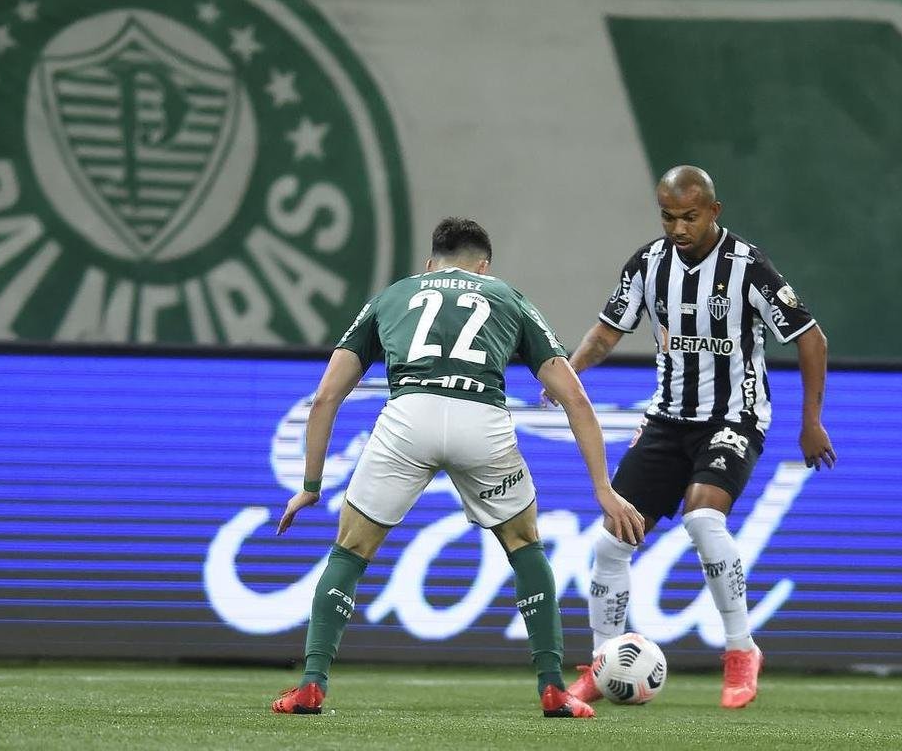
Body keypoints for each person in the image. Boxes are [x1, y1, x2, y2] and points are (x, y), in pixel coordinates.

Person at [271, 217, 646, 718]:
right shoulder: (506, 296)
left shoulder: (393, 295)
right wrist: (603, 488)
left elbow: (325, 398)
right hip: (482, 422)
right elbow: (574, 398)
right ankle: (554, 689)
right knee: (524, 546)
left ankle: (312, 685)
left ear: (430, 264)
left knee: (351, 549)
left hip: (408, 417)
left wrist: (311, 486)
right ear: (484, 267)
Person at [553, 165, 836, 709]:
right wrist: (569, 370)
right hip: (666, 420)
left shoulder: (749, 268)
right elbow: (610, 330)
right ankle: (602, 661)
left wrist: (811, 421)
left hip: (735, 416)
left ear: (713, 211)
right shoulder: (647, 264)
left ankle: (740, 651)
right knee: (611, 543)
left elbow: (811, 339)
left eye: (689, 216)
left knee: (703, 517)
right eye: (668, 216)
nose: (678, 228)